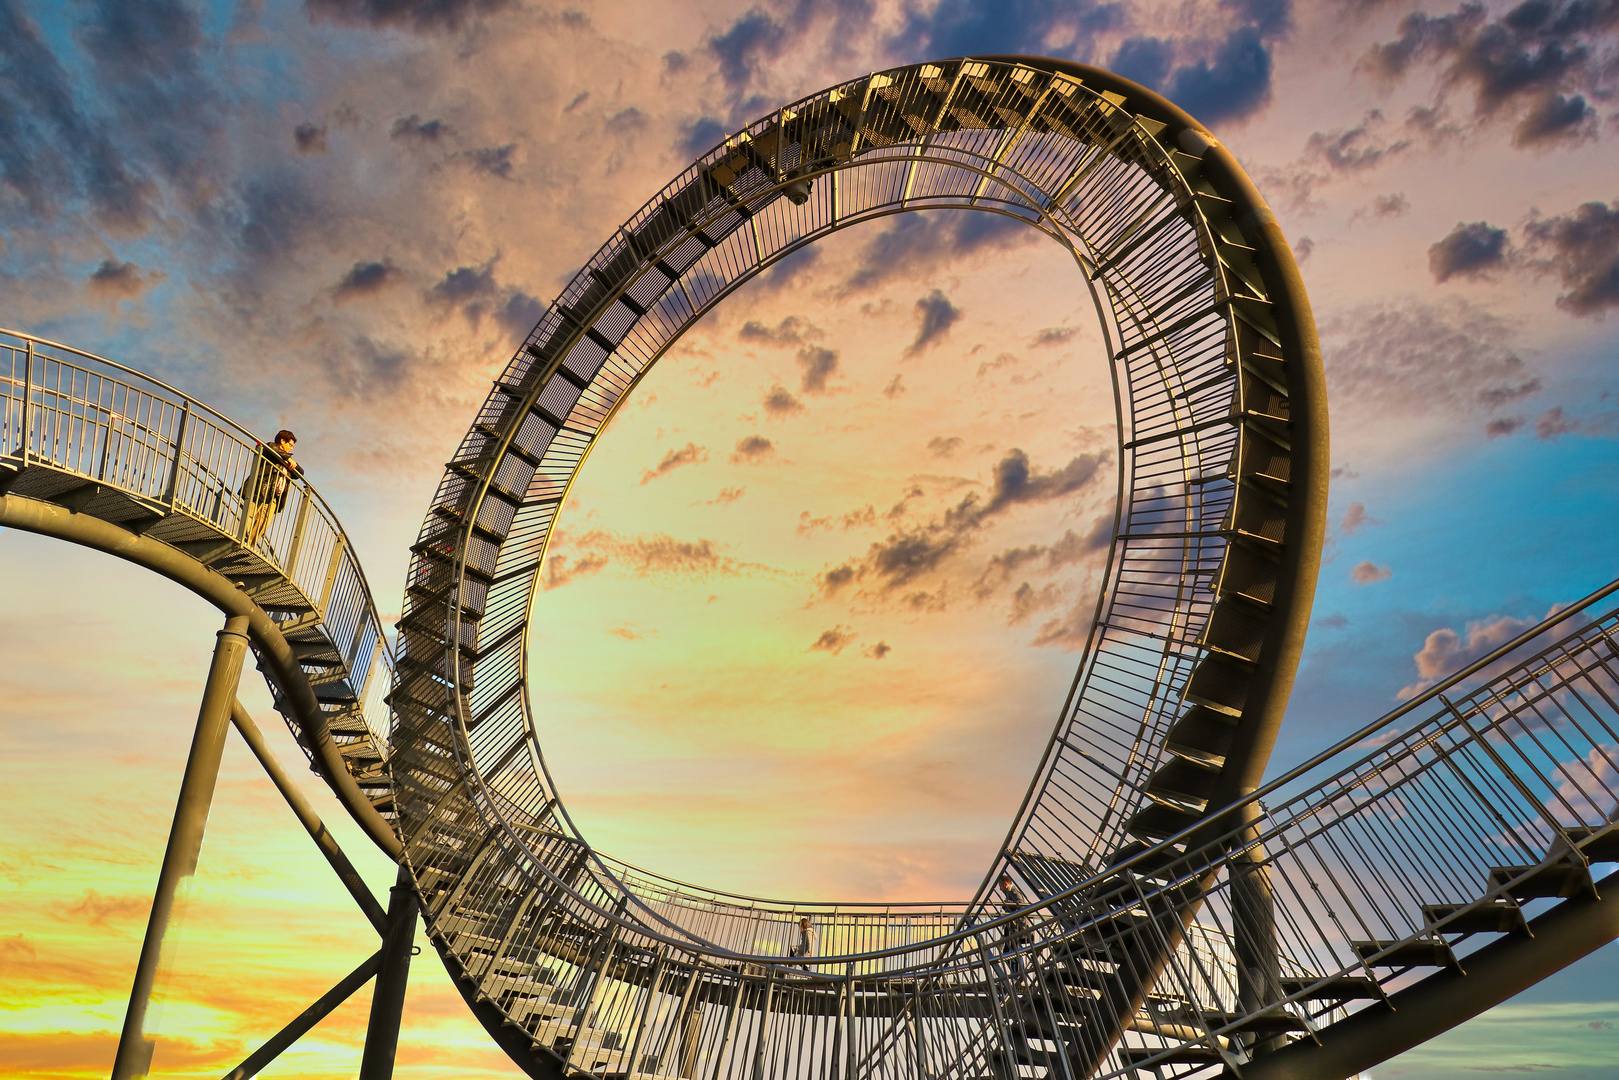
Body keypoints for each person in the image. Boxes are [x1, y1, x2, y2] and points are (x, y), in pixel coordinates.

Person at [241, 429, 302, 549]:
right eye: (290, 445)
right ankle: (243, 540)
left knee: (265, 522)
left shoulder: (285, 459)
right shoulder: (270, 448)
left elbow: (300, 472)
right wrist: (287, 459)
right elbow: (271, 448)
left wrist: (289, 461)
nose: (291, 448)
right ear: (282, 440)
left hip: (274, 495)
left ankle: (249, 544)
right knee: (250, 515)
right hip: (260, 488)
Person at [996, 872, 1031, 976]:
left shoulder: (1013, 891)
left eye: (1000, 886)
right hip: (1013, 927)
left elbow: (1021, 905)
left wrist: (1007, 905)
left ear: (1005, 884)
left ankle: (1019, 975)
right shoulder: (1010, 892)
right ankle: (1019, 974)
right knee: (1011, 951)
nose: (1000, 889)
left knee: (1012, 950)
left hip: (1016, 927)